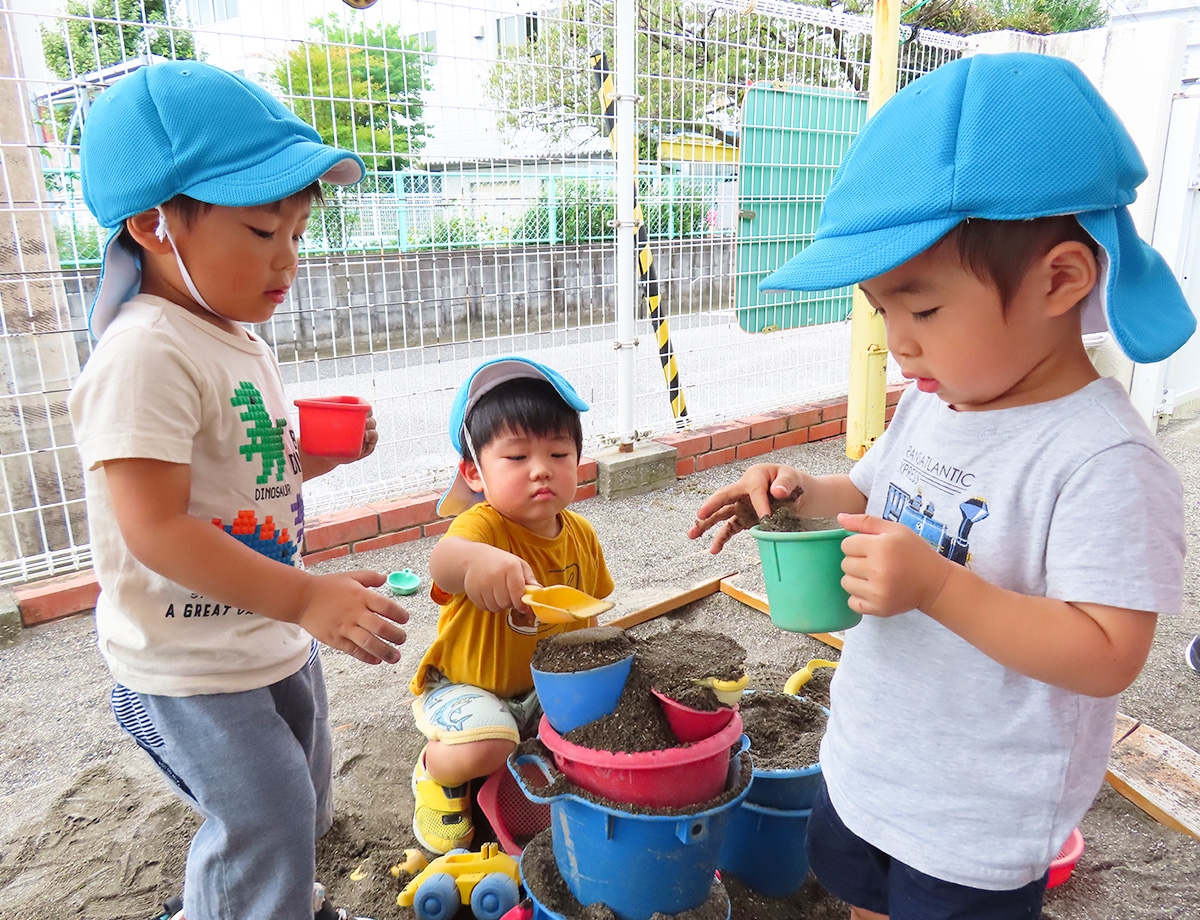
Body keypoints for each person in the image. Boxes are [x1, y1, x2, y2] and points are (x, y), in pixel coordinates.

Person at [689, 53, 1192, 920]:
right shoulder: (939, 401)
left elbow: (1109, 651)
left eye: (921, 310)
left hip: (978, 819)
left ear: (1060, 280)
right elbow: (869, 494)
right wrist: (799, 490)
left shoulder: (1102, 460)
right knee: (859, 898)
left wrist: (936, 586)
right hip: (871, 761)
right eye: (883, 312)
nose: (900, 343)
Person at [67, 62, 409, 920]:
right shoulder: (146, 352)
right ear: (154, 224)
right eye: (262, 231)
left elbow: (241, 471)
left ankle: (280, 900)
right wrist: (305, 595)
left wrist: (317, 462)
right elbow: (155, 528)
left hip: (262, 635)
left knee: (301, 802)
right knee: (263, 817)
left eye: (295, 231)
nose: (286, 258)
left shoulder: (231, 337)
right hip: (186, 664)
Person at [409, 357, 614, 853]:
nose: (542, 469)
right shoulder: (483, 528)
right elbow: (443, 561)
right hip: (465, 687)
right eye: (517, 458)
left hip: (540, 688)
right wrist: (476, 563)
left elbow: (591, 619)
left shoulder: (581, 535)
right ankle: (435, 773)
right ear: (474, 472)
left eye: (560, 454)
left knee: (613, 708)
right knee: (492, 743)